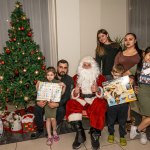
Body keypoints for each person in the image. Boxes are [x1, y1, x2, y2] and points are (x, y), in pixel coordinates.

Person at [66, 56, 107, 150]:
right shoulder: (76, 77)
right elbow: (72, 93)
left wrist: (98, 90)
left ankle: (95, 135)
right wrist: (76, 92)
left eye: (89, 65)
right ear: (81, 66)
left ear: (93, 66)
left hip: (94, 99)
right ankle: (80, 134)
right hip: (81, 100)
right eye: (84, 65)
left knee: (100, 105)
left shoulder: (100, 77)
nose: (87, 67)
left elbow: (105, 93)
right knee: (70, 104)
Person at [31, 59, 74, 139]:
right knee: (37, 108)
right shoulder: (49, 76)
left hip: (59, 103)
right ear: (57, 67)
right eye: (61, 67)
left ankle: (53, 128)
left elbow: (67, 96)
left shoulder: (70, 80)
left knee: (61, 110)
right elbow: (38, 92)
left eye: (65, 68)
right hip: (45, 101)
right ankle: (40, 129)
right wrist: (38, 102)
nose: (63, 69)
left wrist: (57, 104)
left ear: (67, 69)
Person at [114, 33, 141, 131]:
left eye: (130, 39)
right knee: (124, 102)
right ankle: (127, 120)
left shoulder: (140, 54)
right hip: (120, 80)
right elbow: (115, 67)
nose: (128, 41)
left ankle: (131, 122)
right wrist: (118, 76)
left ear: (135, 40)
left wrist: (132, 77)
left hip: (134, 81)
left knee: (129, 102)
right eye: (126, 39)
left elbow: (142, 68)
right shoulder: (120, 53)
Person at [36, 67, 66, 145]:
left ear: (54, 75)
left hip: (53, 104)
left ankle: (54, 132)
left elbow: (61, 94)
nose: (49, 76)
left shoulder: (57, 82)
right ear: (46, 75)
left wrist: (64, 86)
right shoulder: (44, 82)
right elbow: (38, 92)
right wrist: (37, 85)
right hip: (46, 104)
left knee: (53, 119)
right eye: (48, 75)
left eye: (51, 75)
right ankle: (49, 135)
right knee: (48, 119)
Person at [130, 47, 150, 144]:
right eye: (149, 55)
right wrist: (133, 84)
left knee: (145, 114)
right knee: (147, 114)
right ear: (144, 54)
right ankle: (139, 131)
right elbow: (127, 74)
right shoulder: (139, 66)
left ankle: (139, 131)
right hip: (143, 92)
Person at [106, 64, 128, 146]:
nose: (117, 78)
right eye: (115, 76)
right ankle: (111, 133)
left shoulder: (126, 81)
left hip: (123, 106)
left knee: (122, 121)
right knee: (110, 121)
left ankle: (122, 135)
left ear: (122, 74)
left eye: (119, 76)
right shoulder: (108, 82)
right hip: (112, 106)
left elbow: (129, 95)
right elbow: (106, 95)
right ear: (112, 73)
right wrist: (106, 96)